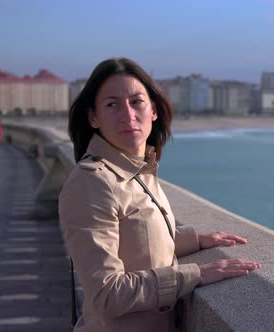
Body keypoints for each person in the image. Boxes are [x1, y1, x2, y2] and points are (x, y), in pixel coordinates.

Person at [59, 57, 260, 331]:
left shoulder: (139, 171)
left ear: (153, 109)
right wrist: (196, 274)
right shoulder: (92, 182)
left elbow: (137, 245)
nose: (128, 114)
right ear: (93, 117)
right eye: (112, 104)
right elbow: (105, 294)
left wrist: (196, 240)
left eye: (136, 101)